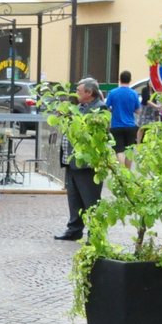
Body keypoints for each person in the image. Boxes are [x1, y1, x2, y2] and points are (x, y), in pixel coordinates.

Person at [56, 77, 105, 241]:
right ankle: (74, 229)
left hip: (87, 165)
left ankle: (95, 234)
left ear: (89, 93)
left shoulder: (100, 109)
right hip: (72, 162)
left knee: (91, 201)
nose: (76, 93)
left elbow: (95, 134)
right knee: (74, 199)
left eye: (79, 90)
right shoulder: (80, 107)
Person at [106, 69, 141, 164]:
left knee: (119, 151)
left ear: (119, 79)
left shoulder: (113, 93)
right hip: (130, 126)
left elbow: (107, 109)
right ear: (130, 80)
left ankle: (122, 172)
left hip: (116, 126)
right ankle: (128, 172)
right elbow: (138, 111)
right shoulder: (134, 93)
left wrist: (114, 110)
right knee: (129, 151)